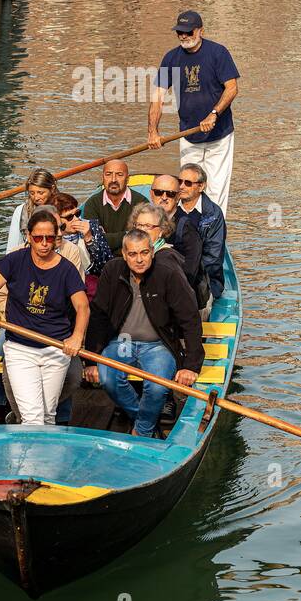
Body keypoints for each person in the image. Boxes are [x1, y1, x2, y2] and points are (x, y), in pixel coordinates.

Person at [85, 229, 203, 438]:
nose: (139, 260)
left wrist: (191, 366)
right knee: (108, 379)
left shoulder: (168, 273)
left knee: (157, 387)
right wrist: (91, 360)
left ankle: (142, 429)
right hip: (120, 342)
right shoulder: (113, 270)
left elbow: (190, 318)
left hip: (158, 345)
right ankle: (146, 423)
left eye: (144, 253)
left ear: (152, 253)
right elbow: (98, 315)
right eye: (133, 254)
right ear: (123, 253)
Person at [0, 208, 88, 427]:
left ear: (56, 239)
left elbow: (83, 306)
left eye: (49, 238)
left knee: (47, 415)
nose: (44, 243)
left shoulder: (66, 269)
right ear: (29, 237)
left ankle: (45, 461)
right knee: (34, 418)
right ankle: (30, 461)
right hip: (20, 348)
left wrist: (77, 337)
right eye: (38, 238)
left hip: (55, 348)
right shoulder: (15, 260)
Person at [148, 10, 239, 217]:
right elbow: (158, 97)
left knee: (215, 191)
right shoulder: (171, 58)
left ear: (200, 31)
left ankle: (216, 233)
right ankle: (190, 233)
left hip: (220, 136)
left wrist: (214, 114)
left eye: (189, 32)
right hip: (188, 134)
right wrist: (153, 131)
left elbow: (232, 88)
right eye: (180, 32)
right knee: (187, 188)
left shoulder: (218, 53)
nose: (184, 36)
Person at [149, 174, 209, 308]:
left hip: (181, 295)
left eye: (170, 194)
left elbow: (190, 271)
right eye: (159, 193)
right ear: (151, 194)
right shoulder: (144, 220)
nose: (164, 198)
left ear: (177, 197)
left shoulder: (187, 227)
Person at [177, 162, 226, 301]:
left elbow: (213, 258)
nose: (181, 186)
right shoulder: (171, 207)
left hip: (205, 280)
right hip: (173, 275)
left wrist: (185, 277)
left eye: (187, 183)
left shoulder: (214, 215)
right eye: (179, 181)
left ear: (201, 186)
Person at [81, 160, 146, 253]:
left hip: (133, 258)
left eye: (119, 175)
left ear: (127, 179)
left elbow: (142, 238)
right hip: (102, 259)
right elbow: (95, 240)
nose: (113, 180)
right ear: (102, 177)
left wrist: (105, 238)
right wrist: (128, 234)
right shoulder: (92, 204)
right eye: (108, 174)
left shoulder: (141, 202)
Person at [6, 168, 58, 251]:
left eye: (41, 193)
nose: (36, 198)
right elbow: (13, 245)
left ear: (52, 189)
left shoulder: (63, 207)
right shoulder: (21, 211)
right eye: (32, 193)